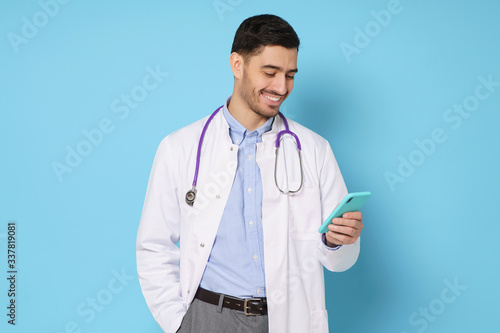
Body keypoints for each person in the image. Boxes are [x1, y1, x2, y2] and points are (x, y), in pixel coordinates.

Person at [136, 14, 363, 333]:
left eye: (290, 75)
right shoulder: (180, 148)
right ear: (237, 65)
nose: (281, 87)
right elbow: (153, 246)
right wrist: (179, 323)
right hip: (207, 317)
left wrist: (338, 241)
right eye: (270, 72)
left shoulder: (314, 150)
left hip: (287, 318)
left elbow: (340, 260)